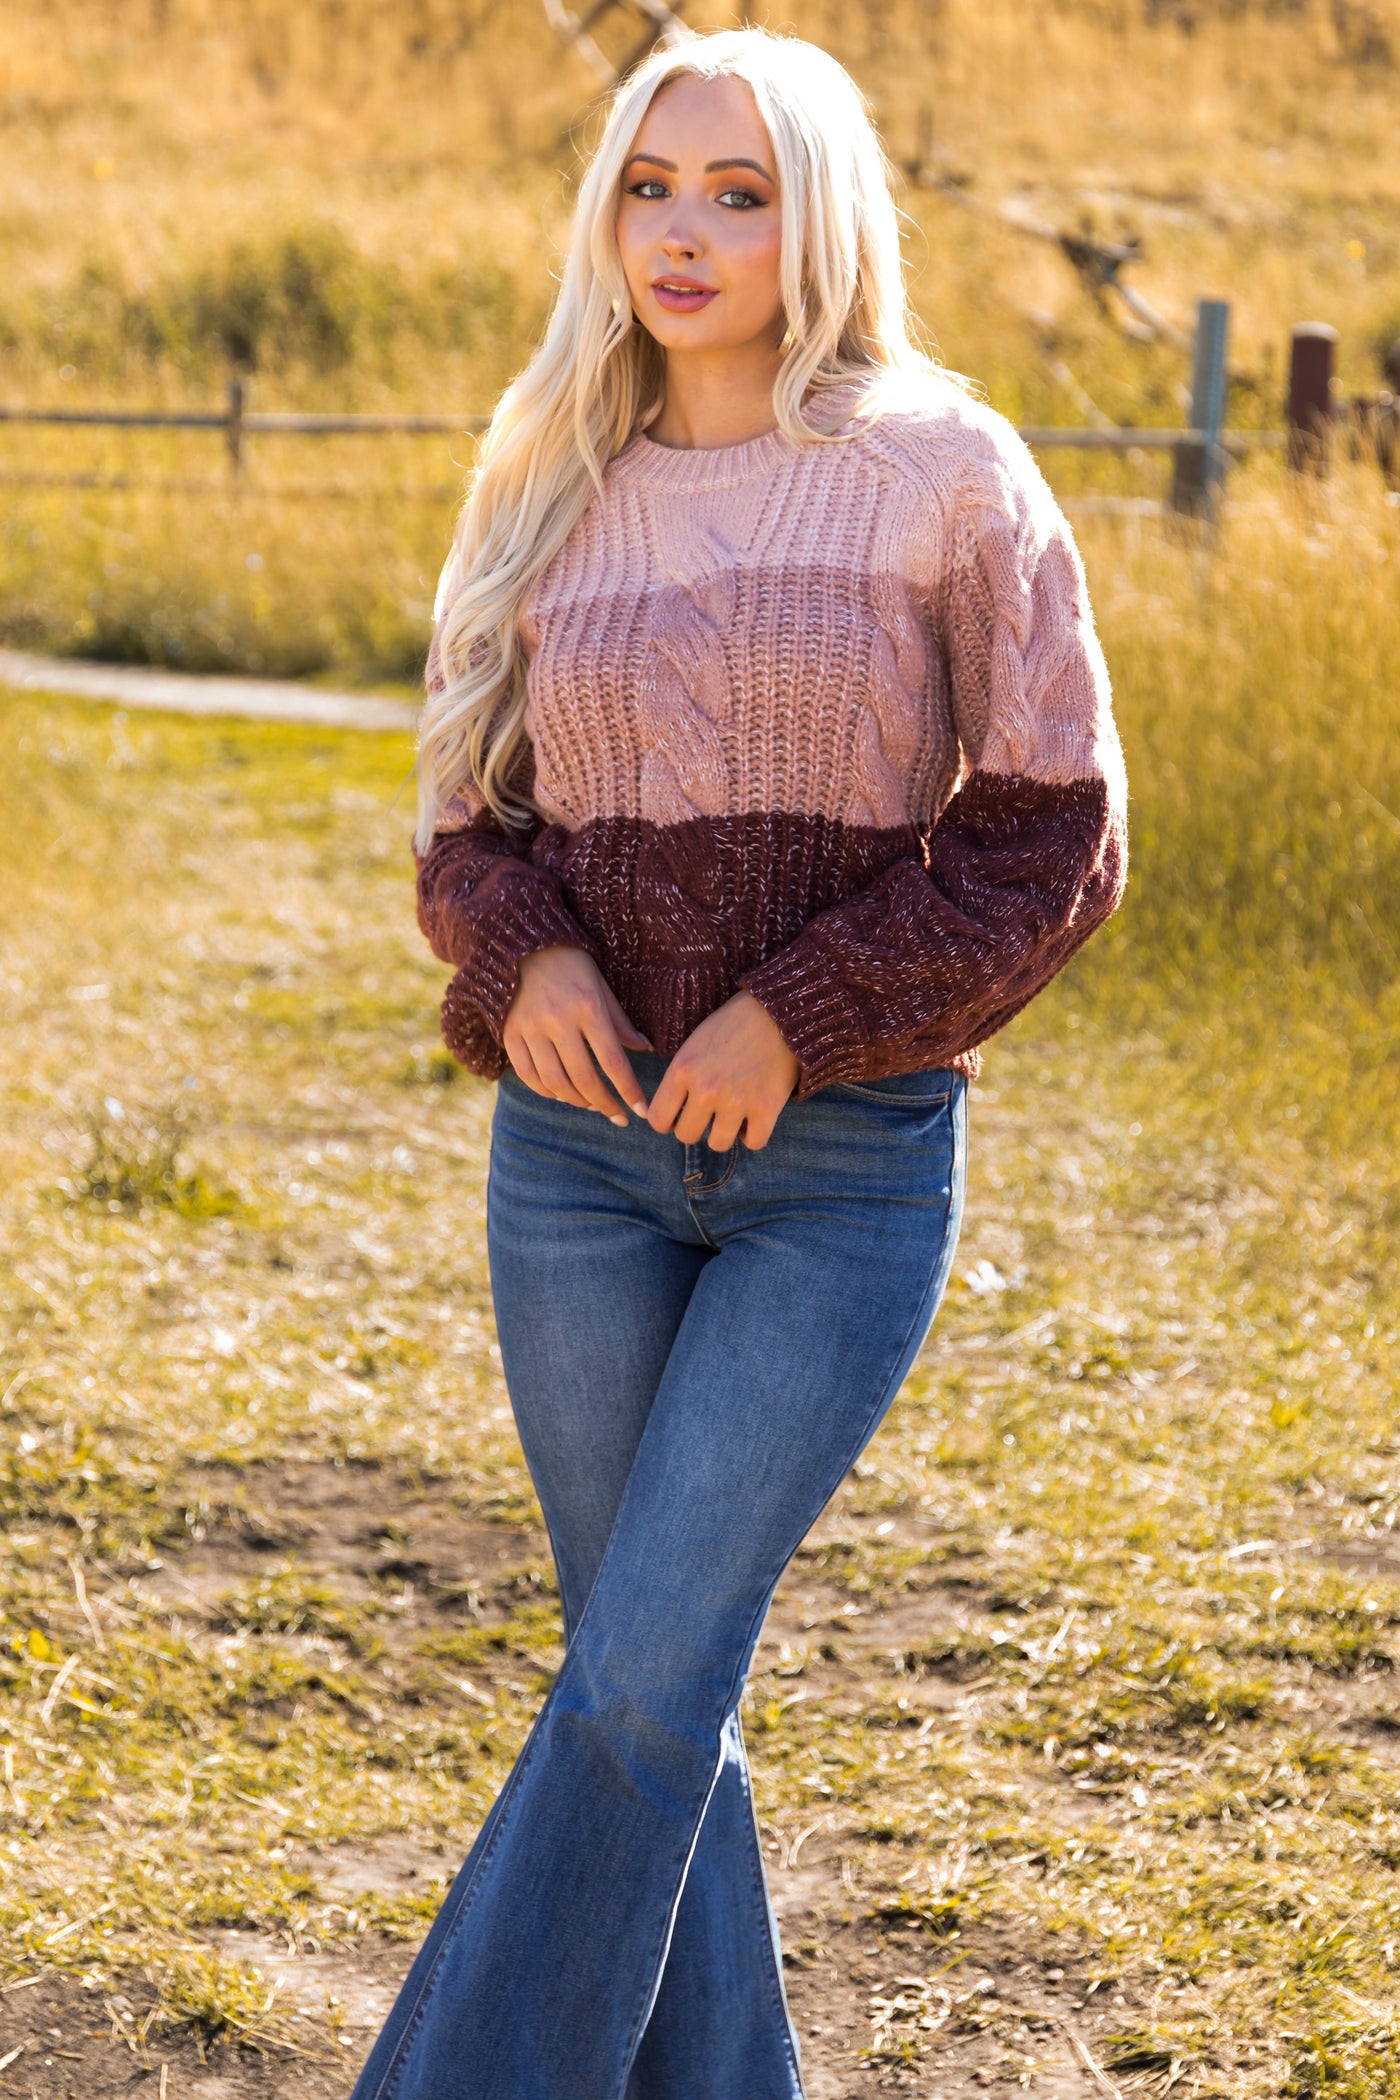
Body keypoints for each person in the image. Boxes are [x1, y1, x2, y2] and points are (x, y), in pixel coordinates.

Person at [351, 25, 1128, 2100]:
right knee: (647, 1681)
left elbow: (1054, 832)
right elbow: (461, 823)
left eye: (740, 190)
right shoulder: (542, 470)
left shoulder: (943, 468)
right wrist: (518, 960)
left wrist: (797, 1015)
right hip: (577, 1169)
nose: (681, 233)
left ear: (823, 213)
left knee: (635, 1687)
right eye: (648, 185)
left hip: (842, 1174)